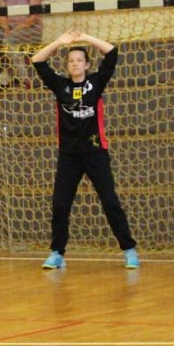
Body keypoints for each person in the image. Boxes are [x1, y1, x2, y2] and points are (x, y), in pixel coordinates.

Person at [32, 31, 139, 270]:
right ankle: (57, 253)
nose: (75, 64)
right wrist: (60, 42)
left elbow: (112, 51)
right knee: (60, 204)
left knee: (110, 201)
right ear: (67, 66)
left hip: (95, 152)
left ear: (87, 65)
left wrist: (87, 38)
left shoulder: (96, 82)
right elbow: (38, 60)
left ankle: (129, 250)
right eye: (71, 61)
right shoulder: (60, 85)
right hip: (69, 155)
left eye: (79, 60)